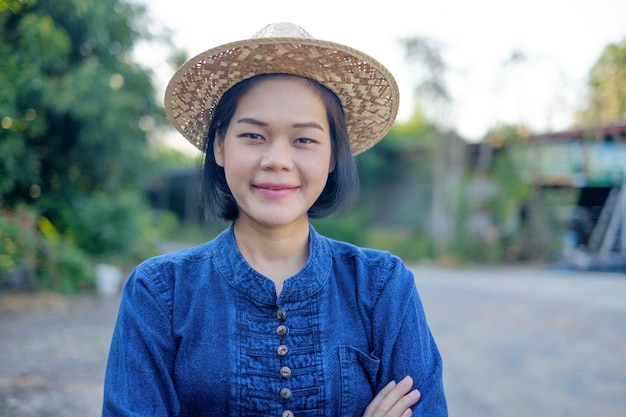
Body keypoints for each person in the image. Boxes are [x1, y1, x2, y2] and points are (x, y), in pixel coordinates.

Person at [103, 22, 447, 417]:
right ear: (219, 145)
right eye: (253, 136)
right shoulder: (160, 293)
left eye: (304, 139)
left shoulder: (384, 286)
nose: (277, 160)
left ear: (333, 155)